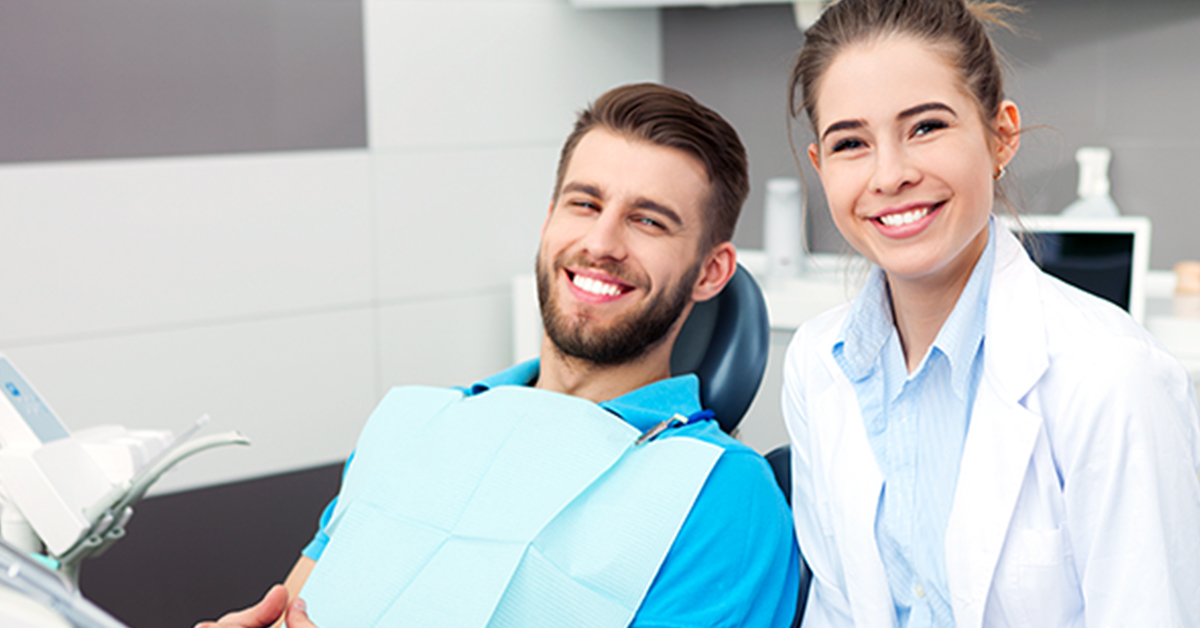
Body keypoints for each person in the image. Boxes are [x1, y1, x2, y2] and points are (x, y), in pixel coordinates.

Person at [198, 83, 800, 628]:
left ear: (711, 271)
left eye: (647, 220)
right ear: (548, 223)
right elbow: (294, 607)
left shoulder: (721, 496)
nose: (600, 242)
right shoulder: (412, 427)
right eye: (584, 204)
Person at [781, 1, 1200, 626]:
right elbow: (837, 609)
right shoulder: (818, 365)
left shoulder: (1113, 377)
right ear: (821, 166)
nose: (890, 174)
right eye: (851, 143)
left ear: (1000, 135)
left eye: (926, 127)